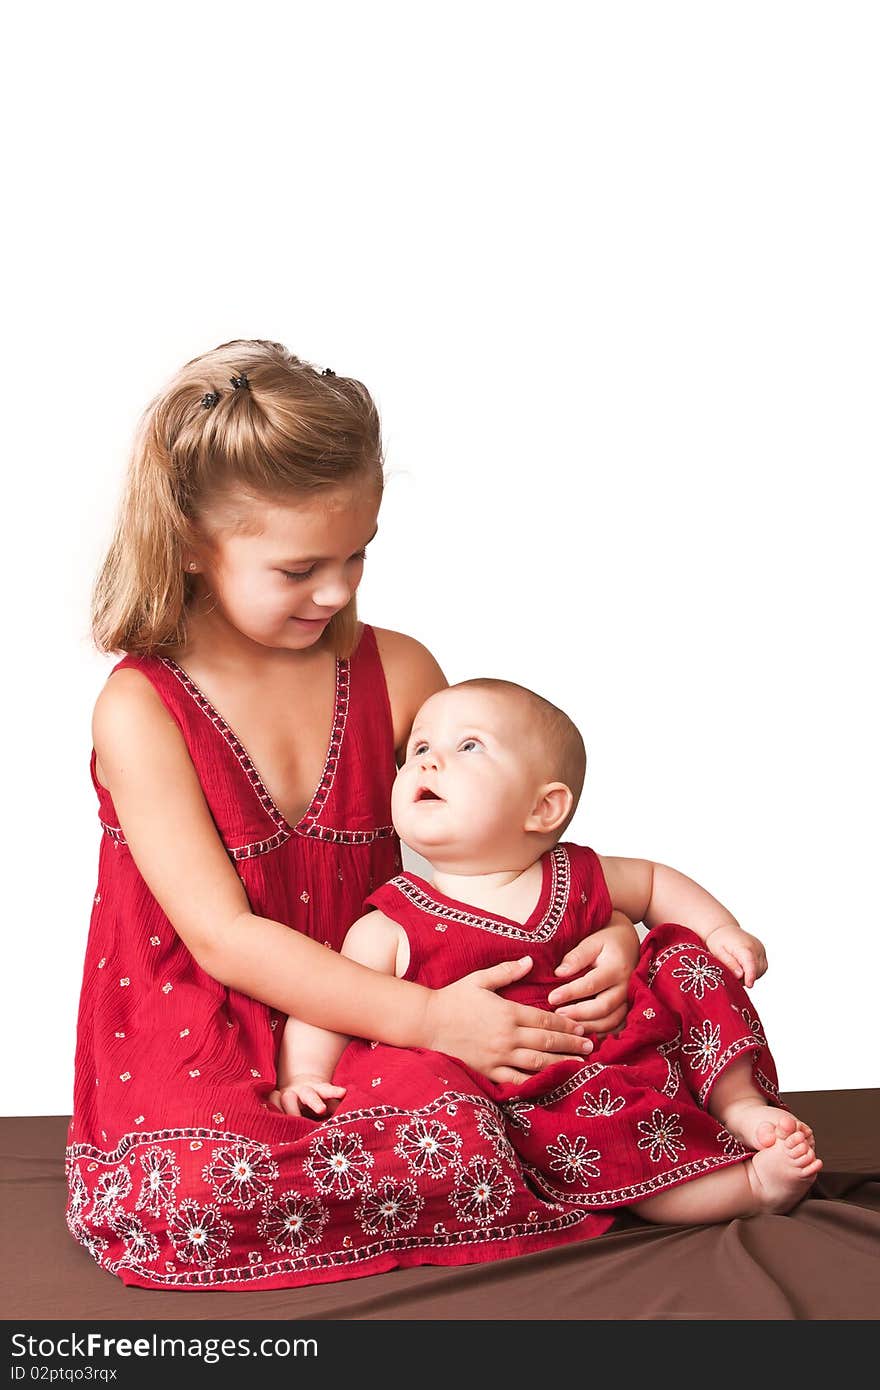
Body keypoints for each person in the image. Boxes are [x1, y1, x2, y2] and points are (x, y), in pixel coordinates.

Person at [66, 339, 641, 1291]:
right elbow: (224, 939)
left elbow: (491, 846)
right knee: (201, 1196)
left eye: (357, 555)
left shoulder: (400, 671)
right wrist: (432, 1023)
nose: (337, 591)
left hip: (390, 1000)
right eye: (299, 569)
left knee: (510, 1109)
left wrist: (609, 929)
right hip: (214, 1020)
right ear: (191, 545)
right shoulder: (142, 706)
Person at [272, 678, 822, 1232]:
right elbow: (330, 1004)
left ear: (544, 807)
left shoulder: (577, 874)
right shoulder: (391, 925)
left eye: (468, 746)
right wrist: (304, 1075)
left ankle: (739, 1103)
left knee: (686, 956)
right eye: (417, 750)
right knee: (605, 1141)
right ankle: (750, 1187)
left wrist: (721, 928)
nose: (427, 763)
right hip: (543, 1095)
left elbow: (655, 884)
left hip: (638, 1041)